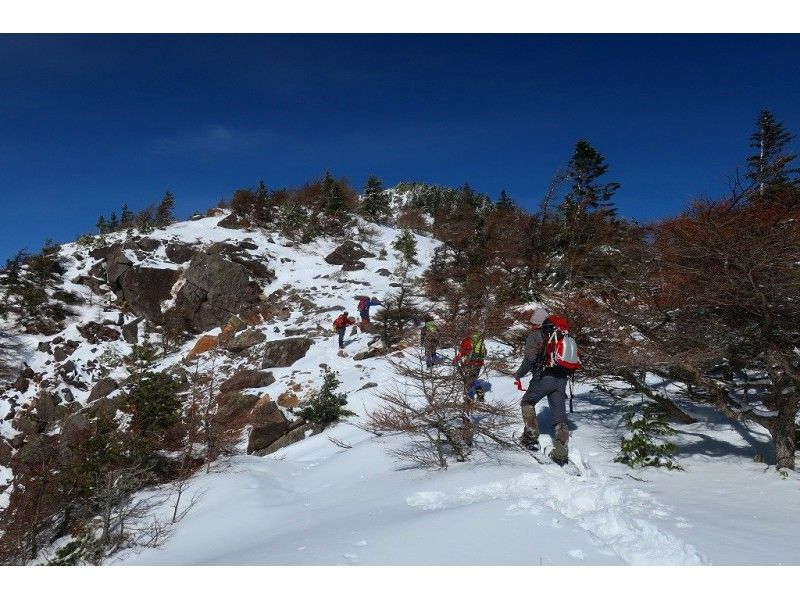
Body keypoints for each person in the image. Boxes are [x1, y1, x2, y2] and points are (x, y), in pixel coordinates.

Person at [513, 308, 575, 465]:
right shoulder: (561, 334)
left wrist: (518, 374)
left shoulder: (535, 335)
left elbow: (529, 360)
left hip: (543, 378)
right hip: (561, 378)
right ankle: (561, 453)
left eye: (533, 322)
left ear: (537, 323)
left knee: (527, 402)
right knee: (559, 419)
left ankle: (531, 438)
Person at [453, 331, 487, 402]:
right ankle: (480, 395)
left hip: (469, 363)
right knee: (473, 378)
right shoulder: (480, 340)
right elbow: (485, 352)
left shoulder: (466, 341)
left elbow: (461, 352)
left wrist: (456, 359)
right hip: (479, 363)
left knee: (468, 380)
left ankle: (468, 398)